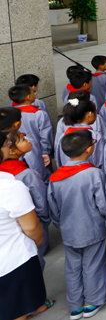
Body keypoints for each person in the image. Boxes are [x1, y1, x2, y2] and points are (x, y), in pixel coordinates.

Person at [47, 130, 106, 320]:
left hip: (69, 230)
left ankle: (75, 305)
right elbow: (103, 205)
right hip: (93, 228)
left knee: (73, 266)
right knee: (94, 264)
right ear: (88, 149)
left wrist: (61, 224)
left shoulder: (56, 177)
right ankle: (93, 300)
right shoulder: (94, 174)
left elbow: (53, 208)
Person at [0, 131, 49, 320]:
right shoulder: (10, 186)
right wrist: (38, 242)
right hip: (14, 261)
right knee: (18, 311)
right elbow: (32, 228)